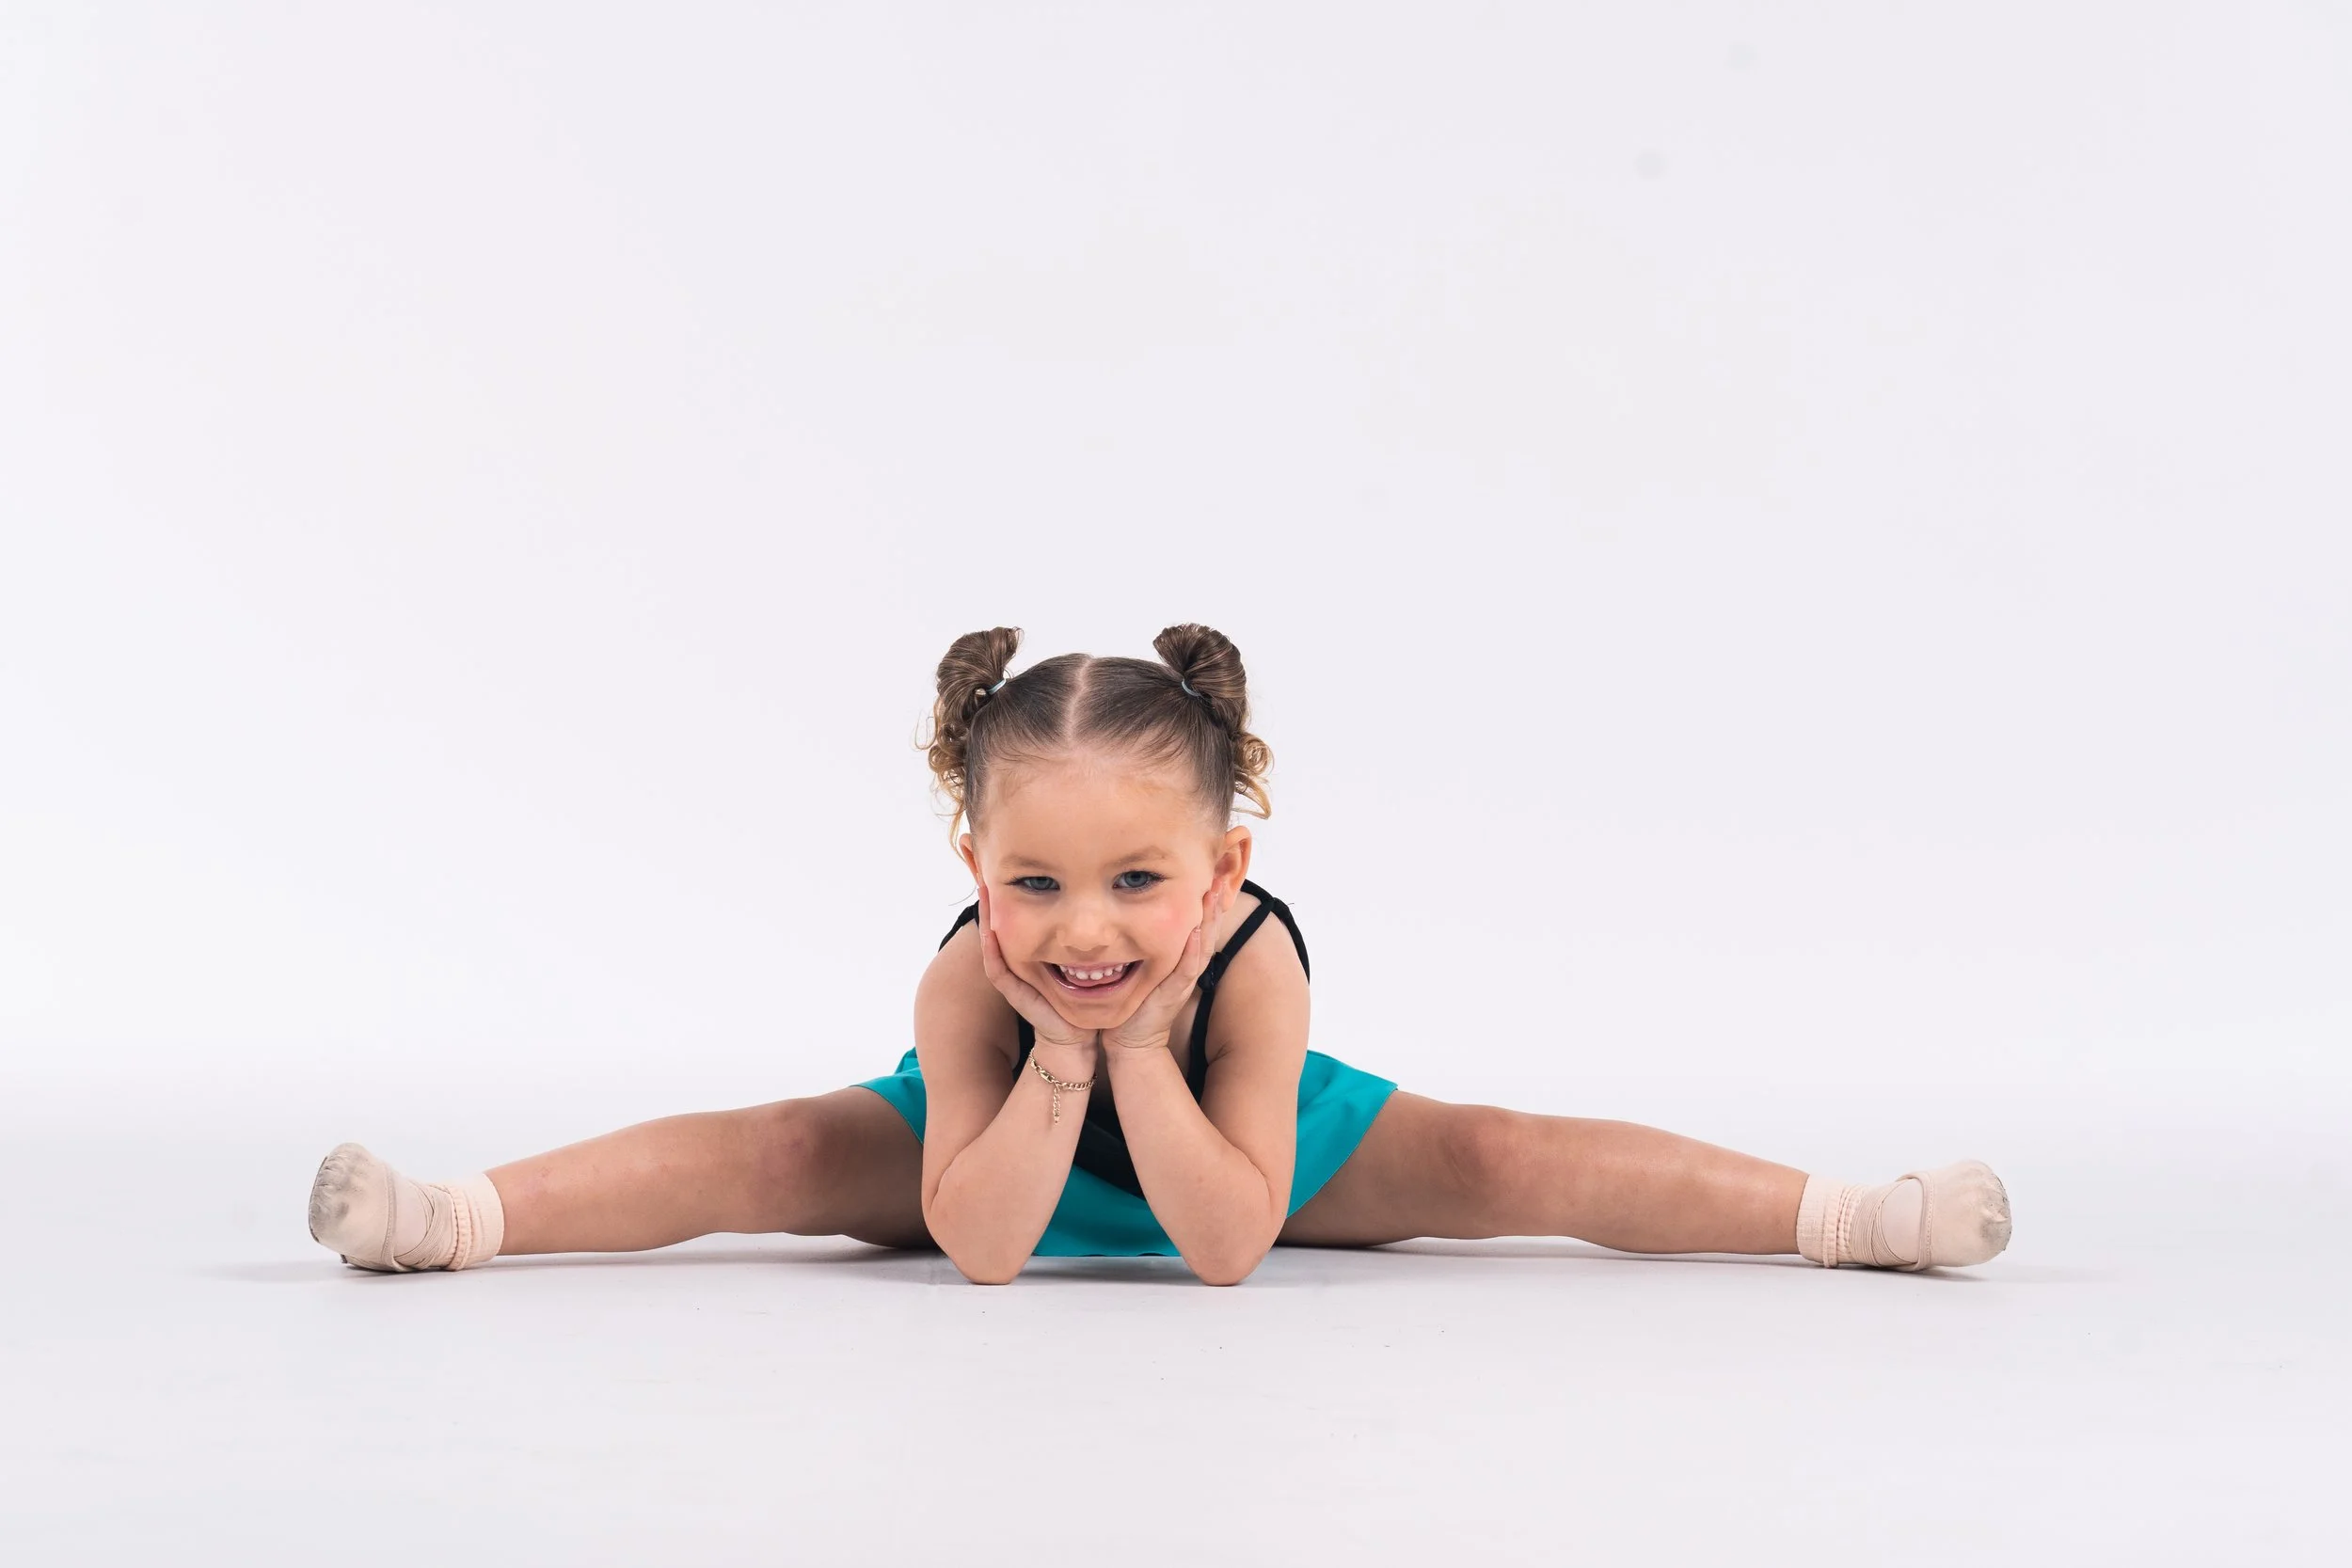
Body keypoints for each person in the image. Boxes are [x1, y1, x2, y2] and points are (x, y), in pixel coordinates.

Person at [307, 623, 2011, 1286]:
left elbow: (1225, 1242)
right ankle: (455, 1220)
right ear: (976, 867)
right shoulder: (971, 978)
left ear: (1225, 867)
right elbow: (981, 1245)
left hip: (1249, 1151)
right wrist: (1058, 1052)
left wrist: (1141, 1046)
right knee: (772, 1149)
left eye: (1139, 878)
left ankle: (1848, 1218)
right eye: (1035, 883)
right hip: (988, 1138)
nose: (1085, 927)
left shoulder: (1255, 965)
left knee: (1500, 1155)